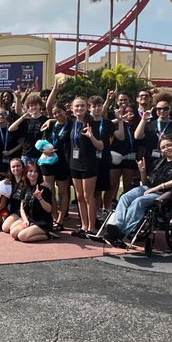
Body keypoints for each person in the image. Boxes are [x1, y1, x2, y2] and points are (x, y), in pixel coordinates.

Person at [102, 136, 172, 246]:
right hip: (149, 188)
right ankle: (116, 226)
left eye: (169, 145)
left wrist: (158, 187)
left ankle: (122, 232)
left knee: (139, 201)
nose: (167, 148)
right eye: (163, 147)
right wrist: (142, 172)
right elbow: (147, 183)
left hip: (165, 193)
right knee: (125, 196)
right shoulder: (158, 162)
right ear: (161, 150)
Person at [59, 96, 104, 239]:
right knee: (79, 197)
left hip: (89, 165)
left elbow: (101, 146)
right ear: (71, 109)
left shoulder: (92, 124)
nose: (79, 108)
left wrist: (91, 137)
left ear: (87, 108)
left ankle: (91, 228)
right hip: (74, 164)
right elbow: (54, 116)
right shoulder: (71, 123)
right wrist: (49, 121)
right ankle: (83, 226)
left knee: (88, 196)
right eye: (77, 106)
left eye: (82, 106)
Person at [7, 160, 54, 242]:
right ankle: (31, 229)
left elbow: (49, 209)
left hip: (42, 222)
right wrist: (25, 220)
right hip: (31, 219)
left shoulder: (43, 188)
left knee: (22, 236)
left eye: (35, 171)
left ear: (39, 173)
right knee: (13, 233)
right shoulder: (25, 186)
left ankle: (48, 235)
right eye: (30, 171)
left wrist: (40, 198)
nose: (33, 174)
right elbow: (22, 206)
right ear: (26, 173)